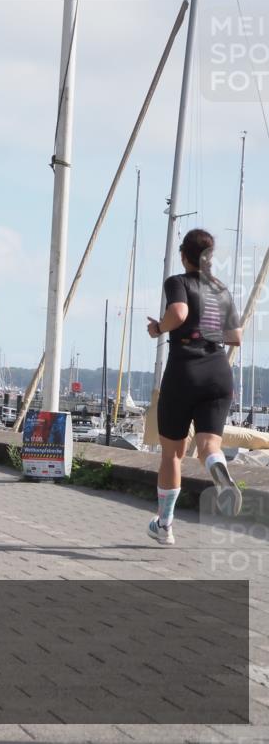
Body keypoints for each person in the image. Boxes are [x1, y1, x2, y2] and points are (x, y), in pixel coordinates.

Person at [146, 229, 243, 545]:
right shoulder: (221, 289)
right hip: (218, 372)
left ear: (183, 255)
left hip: (184, 372)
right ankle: (219, 471)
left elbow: (179, 312)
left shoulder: (178, 282)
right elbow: (236, 336)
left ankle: (165, 525)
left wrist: (159, 328)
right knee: (209, 446)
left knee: (172, 454)